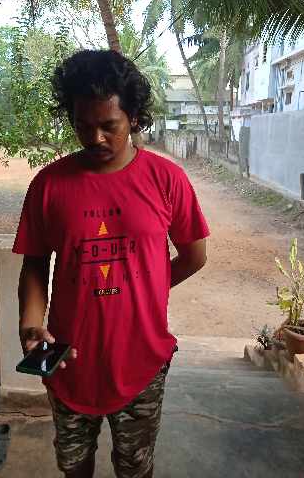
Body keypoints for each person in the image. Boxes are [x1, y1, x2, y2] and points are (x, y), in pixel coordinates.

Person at [13, 49, 209, 478]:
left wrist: (146, 288)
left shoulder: (166, 180)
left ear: (134, 118)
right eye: (83, 126)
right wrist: (30, 325)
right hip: (66, 358)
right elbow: (35, 264)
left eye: (109, 126)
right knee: (73, 465)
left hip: (142, 359)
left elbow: (195, 256)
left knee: (135, 467)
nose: (95, 137)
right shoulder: (49, 185)